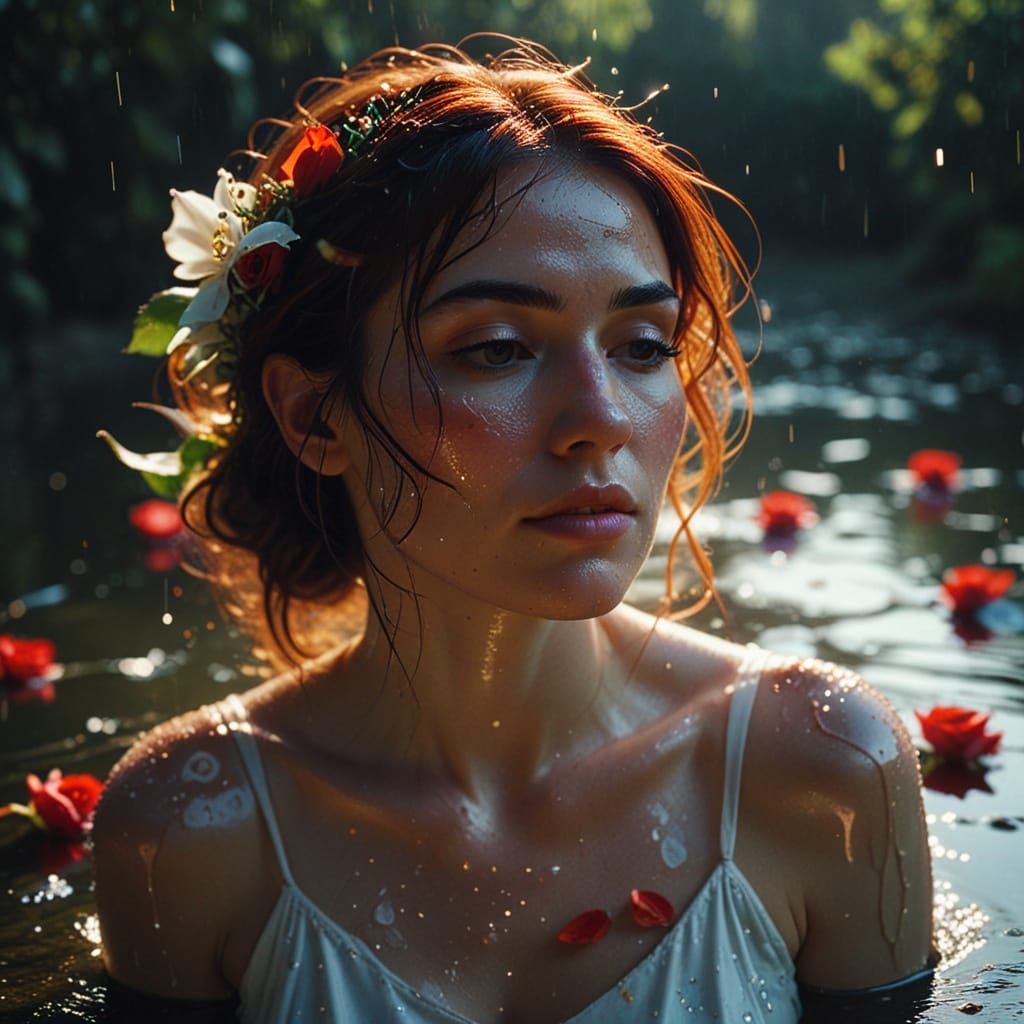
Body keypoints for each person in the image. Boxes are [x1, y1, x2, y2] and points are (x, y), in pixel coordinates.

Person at [93, 38, 937, 1024]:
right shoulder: (192, 829)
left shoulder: (822, 773)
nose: (601, 418)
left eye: (640, 345)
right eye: (496, 348)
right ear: (315, 416)